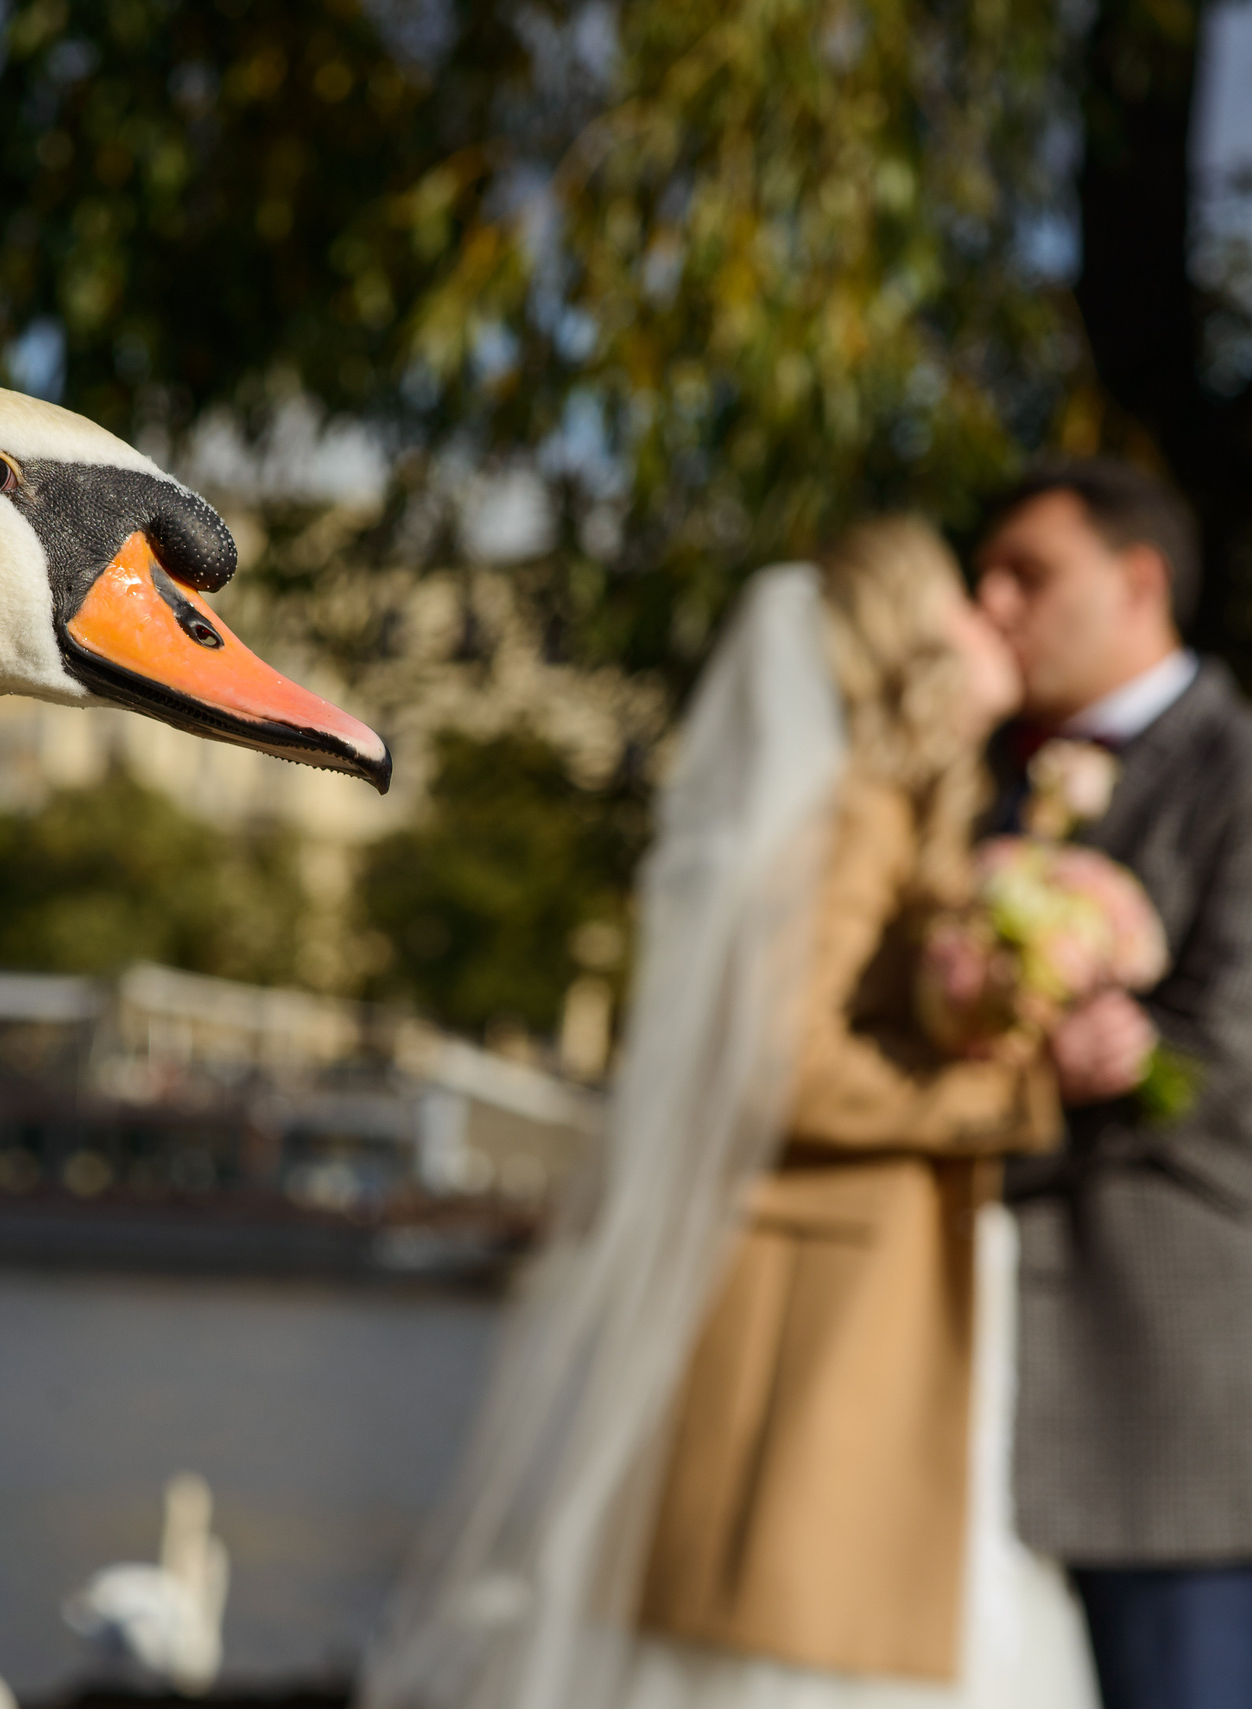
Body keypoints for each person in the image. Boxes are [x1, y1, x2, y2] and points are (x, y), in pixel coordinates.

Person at [363, 518, 1104, 1709]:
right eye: (968, 600)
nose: (994, 621)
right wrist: (1011, 1089)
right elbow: (781, 1063)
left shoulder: (898, 807)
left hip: (866, 1295)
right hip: (820, 1318)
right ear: (912, 639)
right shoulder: (858, 809)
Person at [972, 461, 1252, 1709]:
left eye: (1028, 575)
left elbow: (1222, 1049)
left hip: (1174, 1394)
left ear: (1138, 581)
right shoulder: (982, 787)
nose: (992, 605)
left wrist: (987, 1111)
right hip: (977, 1391)